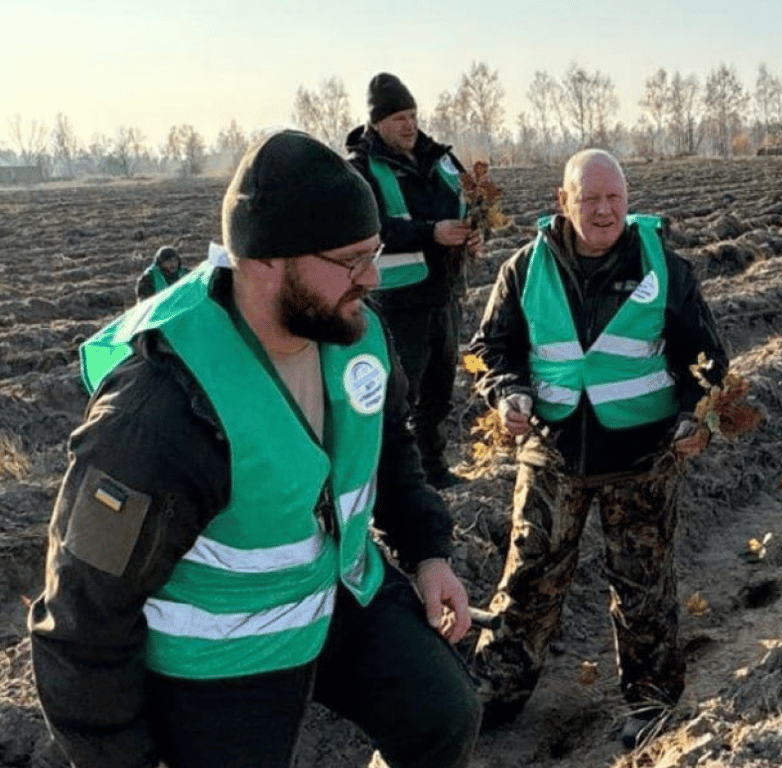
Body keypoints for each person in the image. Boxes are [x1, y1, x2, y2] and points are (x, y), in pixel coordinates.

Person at [29, 129, 482, 768]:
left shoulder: (354, 332)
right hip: (223, 655)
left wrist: (430, 553)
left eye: (373, 252)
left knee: (444, 715)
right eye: (351, 259)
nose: (372, 276)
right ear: (264, 260)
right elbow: (80, 621)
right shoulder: (159, 413)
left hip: (337, 596)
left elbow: (387, 452)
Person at [467, 148, 729, 748]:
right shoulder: (525, 269)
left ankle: (651, 704)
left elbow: (706, 356)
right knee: (530, 574)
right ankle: (493, 693)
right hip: (553, 449)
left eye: (614, 198)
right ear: (564, 202)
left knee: (642, 584)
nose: (604, 210)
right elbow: (493, 347)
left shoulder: (665, 268)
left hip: (642, 456)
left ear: (628, 201)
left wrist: (697, 414)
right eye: (590, 199)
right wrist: (507, 392)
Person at [347, 72, 482, 490]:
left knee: (440, 389)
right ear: (377, 123)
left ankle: (434, 469)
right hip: (397, 303)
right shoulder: (361, 171)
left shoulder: (441, 160)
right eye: (398, 118)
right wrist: (431, 233)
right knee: (401, 394)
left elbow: (471, 201)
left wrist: (476, 233)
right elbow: (369, 229)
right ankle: (397, 478)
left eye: (412, 115)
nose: (408, 125)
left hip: (445, 294)